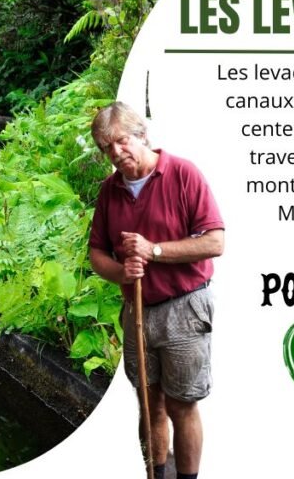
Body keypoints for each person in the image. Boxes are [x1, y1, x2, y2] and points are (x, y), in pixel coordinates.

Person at [87, 101, 224, 479]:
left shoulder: (182, 173)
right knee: (150, 406)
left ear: (142, 135)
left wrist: (155, 251)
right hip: (137, 312)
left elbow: (214, 241)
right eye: (106, 147)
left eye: (121, 141)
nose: (115, 153)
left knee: (183, 405)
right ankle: (156, 475)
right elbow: (96, 251)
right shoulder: (109, 192)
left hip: (184, 308)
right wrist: (122, 273)